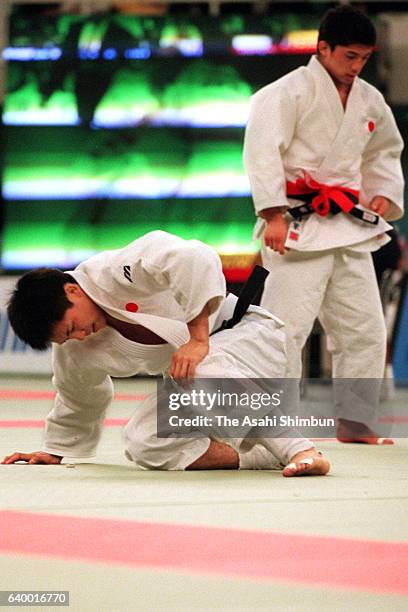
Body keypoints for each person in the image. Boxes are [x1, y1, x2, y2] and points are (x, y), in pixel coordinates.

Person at [2, 231, 330, 476]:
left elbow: (195, 258)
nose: (80, 336)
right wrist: (55, 450)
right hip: (211, 388)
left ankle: (301, 449)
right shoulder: (76, 346)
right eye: (67, 337)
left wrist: (198, 337)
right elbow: (77, 395)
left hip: (251, 341)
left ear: (71, 290)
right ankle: (257, 456)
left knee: (197, 369)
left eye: (73, 326)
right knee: (143, 440)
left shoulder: (116, 270)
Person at [243, 5, 404, 444]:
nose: (357, 67)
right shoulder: (286, 92)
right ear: (323, 49)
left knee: (364, 330)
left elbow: (384, 152)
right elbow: (262, 151)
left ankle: (355, 420)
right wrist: (272, 212)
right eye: (350, 56)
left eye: (364, 58)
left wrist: (384, 191)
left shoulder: (370, 100)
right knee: (283, 331)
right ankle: (272, 425)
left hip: (350, 227)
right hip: (297, 226)